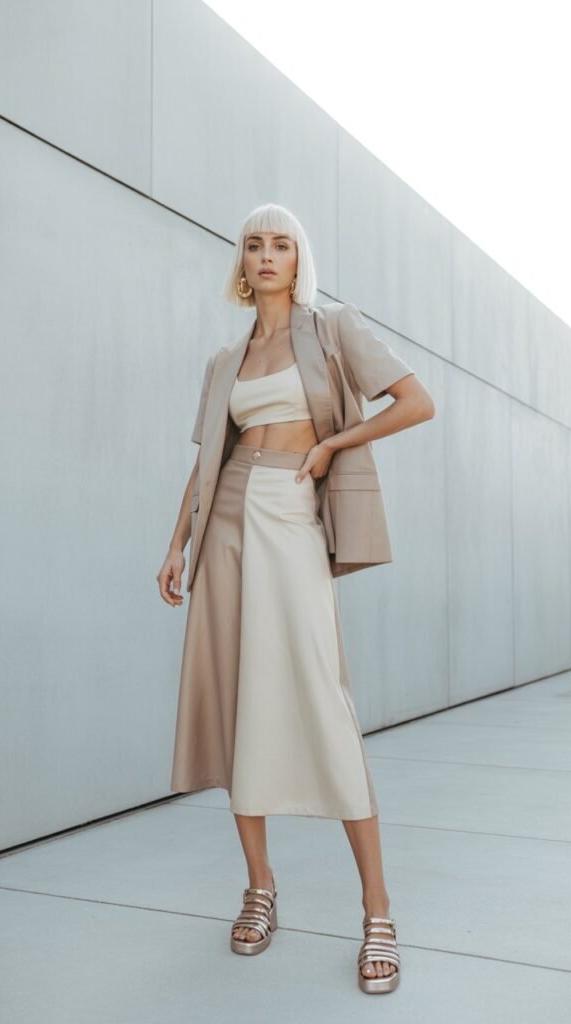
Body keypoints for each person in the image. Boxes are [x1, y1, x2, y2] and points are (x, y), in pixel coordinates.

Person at [157, 202, 435, 994]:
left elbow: (417, 402)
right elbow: (210, 461)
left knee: (321, 695)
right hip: (226, 527)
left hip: (290, 514)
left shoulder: (333, 329)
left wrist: (331, 447)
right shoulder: (226, 359)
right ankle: (259, 887)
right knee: (238, 700)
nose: (267, 254)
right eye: (254, 243)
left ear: (298, 256)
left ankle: (377, 908)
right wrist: (176, 542)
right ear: (240, 262)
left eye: (281, 243)